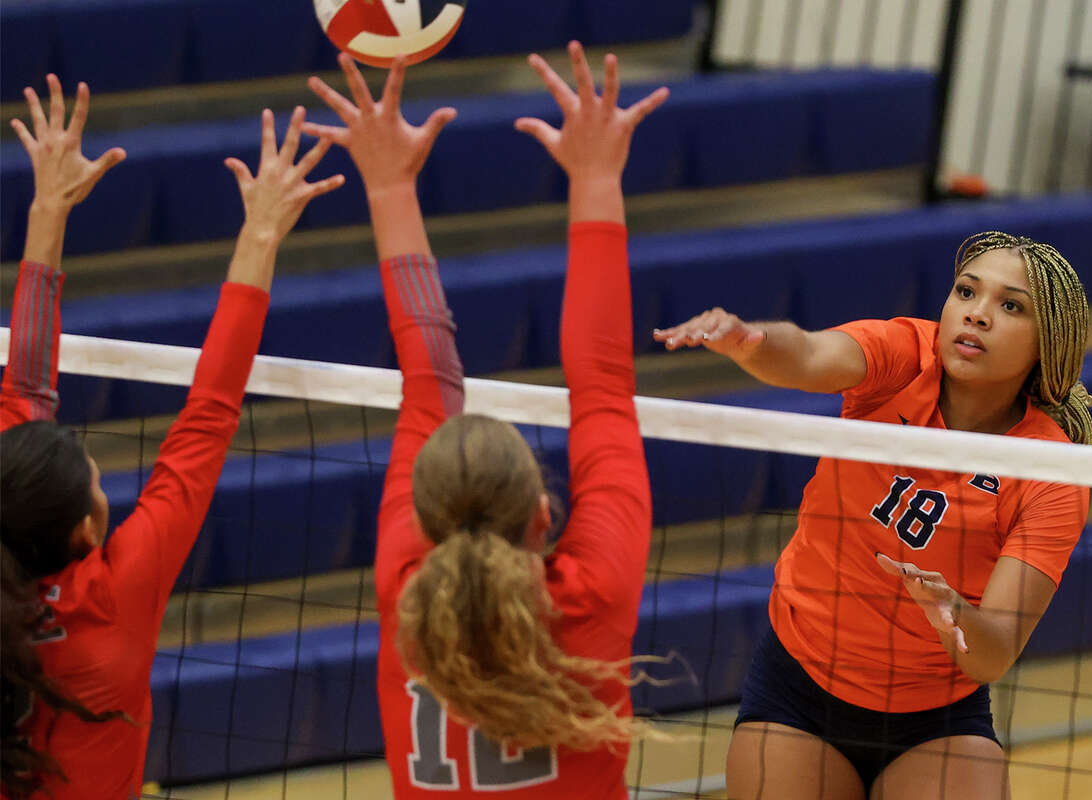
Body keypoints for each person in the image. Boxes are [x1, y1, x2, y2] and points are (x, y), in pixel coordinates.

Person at [302, 43, 668, 798]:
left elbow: (433, 377)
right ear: (543, 515)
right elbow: (600, 382)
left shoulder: (408, 590)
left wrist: (387, 188)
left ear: (425, 520)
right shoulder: (590, 589)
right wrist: (597, 177)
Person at [654, 233, 1092, 799]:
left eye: (1011, 306)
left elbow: (992, 656)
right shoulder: (905, 357)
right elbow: (808, 354)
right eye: (966, 292)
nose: (977, 314)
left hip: (935, 720)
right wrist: (752, 341)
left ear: (1046, 344)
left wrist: (951, 612)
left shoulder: (1050, 471)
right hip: (800, 689)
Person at [0, 76, 344, 800]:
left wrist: (47, 208)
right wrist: (260, 235)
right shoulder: (115, 595)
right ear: (85, 533)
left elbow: (25, 390)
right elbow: (208, 415)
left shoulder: (18, 514)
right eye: (97, 484)